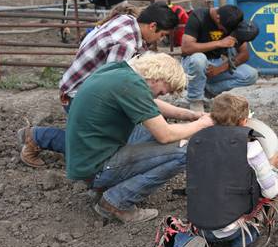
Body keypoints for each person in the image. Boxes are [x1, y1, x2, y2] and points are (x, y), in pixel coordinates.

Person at [18, 2, 182, 168]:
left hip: (75, 85)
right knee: (102, 150)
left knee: (116, 137)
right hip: (79, 94)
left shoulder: (128, 21)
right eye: (162, 35)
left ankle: (40, 136)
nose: (160, 40)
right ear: (152, 26)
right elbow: (113, 84)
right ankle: (38, 137)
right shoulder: (126, 44)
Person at [65, 52, 214, 223]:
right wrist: (202, 124)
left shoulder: (119, 72)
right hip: (96, 168)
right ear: (158, 78)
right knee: (186, 150)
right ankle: (116, 202)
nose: (159, 96)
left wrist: (192, 115)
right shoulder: (131, 86)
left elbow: (150, 103)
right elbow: (165, 135)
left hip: (87, 160)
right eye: (161, 92)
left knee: (151, 131)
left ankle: (104, 188)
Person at [159, 93, 278, 247]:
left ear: (212, 117)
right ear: (244, 121)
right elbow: (271, 190)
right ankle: (242, 243)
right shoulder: (251, 146)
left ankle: (187, 244)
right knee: (263, 205)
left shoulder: (194, 141)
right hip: (232, 225)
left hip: (200, 222)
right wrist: (272, 167)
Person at [180, 4, 258, 113]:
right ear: (217, 18)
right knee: (199, 59)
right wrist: (219, 43)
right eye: (223, 28)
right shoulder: (198, 16)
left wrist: (220, 69)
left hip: (216, 63)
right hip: (192, 62)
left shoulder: (232, 20)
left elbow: (244, 54)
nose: (225, 31)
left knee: (251, 75)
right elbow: (186, 48)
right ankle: (195, 100)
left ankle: (207, 92)